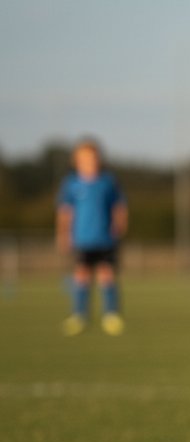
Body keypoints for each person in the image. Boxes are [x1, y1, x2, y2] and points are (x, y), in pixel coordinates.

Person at [55, 138, 128, 336]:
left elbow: (119, 205)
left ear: (99, 159)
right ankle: (79, 315)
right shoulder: (71, 183)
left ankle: (111, 315)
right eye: (84, 158)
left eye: (92, 158)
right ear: (76, 160)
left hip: (105, 238)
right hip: (82, 239)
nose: (89, 162)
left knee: (107, 275)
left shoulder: (107, 181)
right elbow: (65, 211)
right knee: (81, 275)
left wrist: (120, 223)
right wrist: (63, 234)